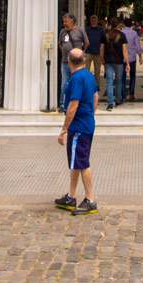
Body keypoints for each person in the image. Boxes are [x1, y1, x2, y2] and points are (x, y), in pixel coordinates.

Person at [54, 48, 98, 215]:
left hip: (78, 126)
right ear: (84, 60)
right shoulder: (88, 75)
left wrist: (64, 129)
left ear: (69, 61)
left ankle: (90, 199)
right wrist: (91, 115)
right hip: (86, 123)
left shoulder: (76, 79)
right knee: (76, 161)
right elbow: (95, 97)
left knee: (82, 162)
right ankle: (71, 196)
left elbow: (73, 104)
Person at [58, 14, 88, 112]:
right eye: (64, 21)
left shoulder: (80, 31)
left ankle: (77, 102)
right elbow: (60, 44)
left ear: (72, 21)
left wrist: (81, 52)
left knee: (77, 82)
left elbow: (86, 43)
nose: (64, 23)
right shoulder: (62, 32)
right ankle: (62, 104)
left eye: (66, 21)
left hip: (77, 63)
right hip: (65, 61)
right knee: (64, 83)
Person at [101, 19, 128, 110]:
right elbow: (124, 50)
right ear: (118, 25)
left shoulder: (105, 35)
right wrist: (127, 62)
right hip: (119, 61)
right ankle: (118, 100)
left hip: (108, 61)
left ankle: (110, 102)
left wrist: (102, 58)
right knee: (119, 81)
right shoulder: (122, 35)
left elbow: (102, 48)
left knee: (109, 81)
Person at [120, 18, 142, 101]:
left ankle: (123, 95)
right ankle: (132, 93)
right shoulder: (134, 33)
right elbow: (138, 46)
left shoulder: (121, 33)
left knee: (122, 77)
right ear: (131, 25)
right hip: (132, 58)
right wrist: (140, 56)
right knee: (132, 76)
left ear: (124, 24)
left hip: (122, 58)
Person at [85, 15, 104, 88]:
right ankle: (86, 84)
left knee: (97, 70)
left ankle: (97, 84)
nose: (94, 21)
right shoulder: (87, 30)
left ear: (97, 20)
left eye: (95, 20)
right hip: (89, 52)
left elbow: (103, 41)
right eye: (92, 20)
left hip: (97, 53)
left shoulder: (100, 30)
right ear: (90, 21)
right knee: (87, 69)